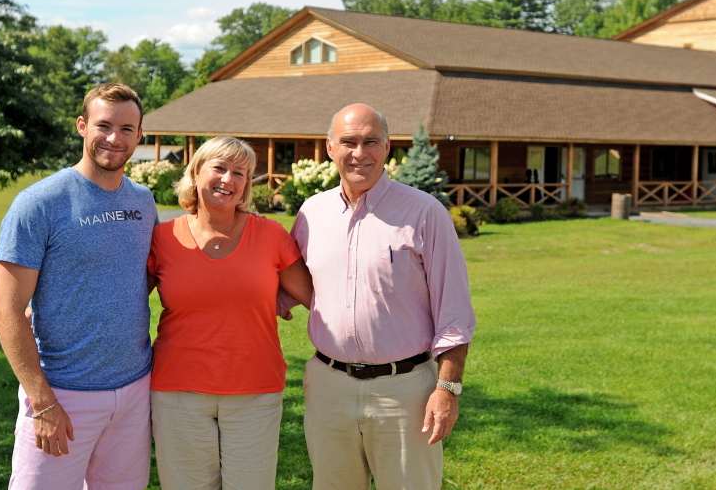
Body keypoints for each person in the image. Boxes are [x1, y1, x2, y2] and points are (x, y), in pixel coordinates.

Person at [290, 103, 476, 490]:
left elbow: (454, 313)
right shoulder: (312, 214)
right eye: (349, 142)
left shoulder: (425, 213)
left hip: (405, 391)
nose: (360, 153)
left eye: (371, 141)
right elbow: (285, 284)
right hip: (328, 388)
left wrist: (447, 390)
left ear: (388, 146)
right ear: (329, 147)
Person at [0, 83, 157, 489]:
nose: (114, 138)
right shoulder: (39, 203)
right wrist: (42, 402)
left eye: (126, 129)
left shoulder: (143, 200)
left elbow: (143, 274)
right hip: (62, 394)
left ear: (139, 135)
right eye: (104, 125)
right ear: (82, 126)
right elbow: (6, 312)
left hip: (134, 390)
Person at [147, 135, 313, 490]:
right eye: (219, 168)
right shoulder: (163, 237)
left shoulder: (270, 234)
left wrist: (281, 297)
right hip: (178, 393)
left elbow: (318, 295)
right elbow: (122, 299)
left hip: (255, 391)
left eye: (240, 173)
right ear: (195, 173)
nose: (228, 179)